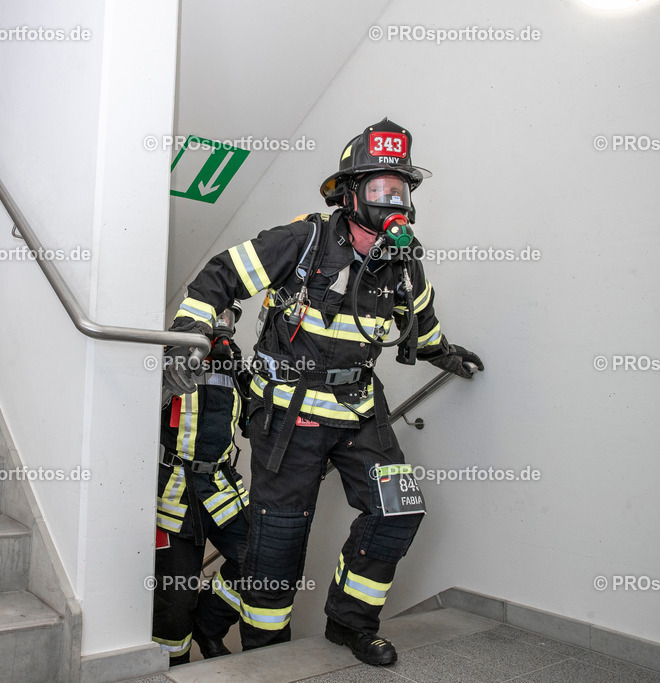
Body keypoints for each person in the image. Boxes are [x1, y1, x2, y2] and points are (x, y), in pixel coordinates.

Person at [162, 119, 482, 666]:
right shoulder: (302, 241)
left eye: (400, 190)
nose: (394, 202)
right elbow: (222, 275)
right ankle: (265, 655)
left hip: (360, 409)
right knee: (277, 544)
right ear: (351, 195)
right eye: (380, 190)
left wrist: (446, 354)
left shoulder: (405, 263)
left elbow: (420, 325)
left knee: (398, 511)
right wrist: (189, 334)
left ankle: (350, 624)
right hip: (288, 416)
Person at [152, 305, 252, 665]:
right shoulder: (167, 356)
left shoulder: (233, 365)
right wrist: (178, 363)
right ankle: (170, 667)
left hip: (222, 488)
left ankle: (209, 627)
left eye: (230, 316)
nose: (224, 324)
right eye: (219, 315)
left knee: (259, 559)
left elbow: (256, 417)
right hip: (175, 493)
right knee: (175, 599)